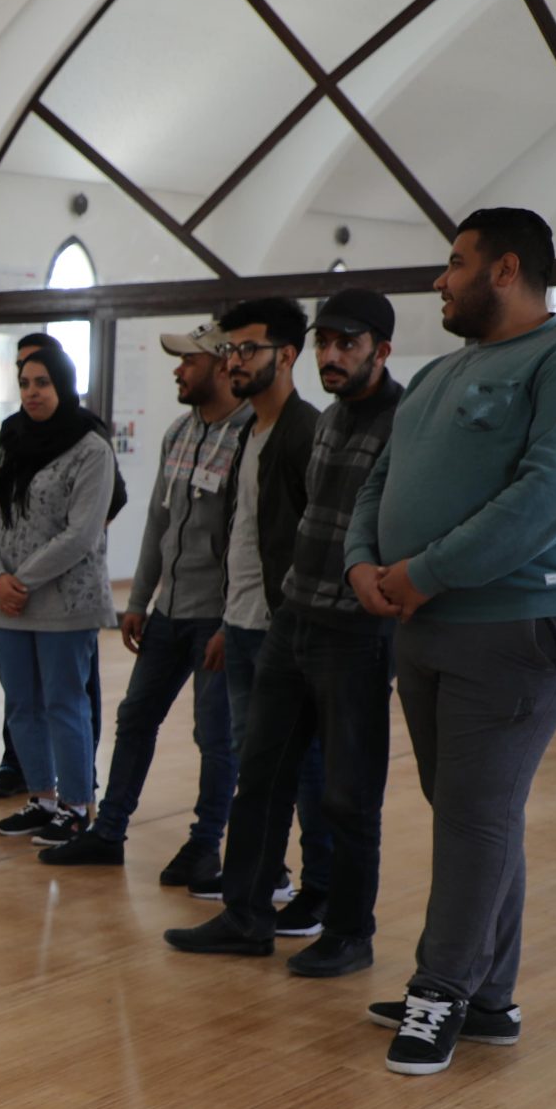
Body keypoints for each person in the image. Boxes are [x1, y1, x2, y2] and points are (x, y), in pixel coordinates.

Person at [345, 209, 556, 1076]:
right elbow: (380, 482)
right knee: (473, 809)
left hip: (525, 621)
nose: (441, 280)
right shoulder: (439, 374)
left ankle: (441, 989)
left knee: (475, 808)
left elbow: (551, 496)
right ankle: (487, 997)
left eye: (455, 262)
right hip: (426, 617)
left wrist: (427, 570)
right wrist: (362, 561)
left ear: (506, 270)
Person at [169, 291, 401, 980]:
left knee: (348, 794)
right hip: (294, 618)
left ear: (381, 350)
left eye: (347, 344)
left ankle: (349, 931)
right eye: (326, 342)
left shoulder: (404, 423)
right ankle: (245, 916)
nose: (333, 355)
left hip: (354, 631)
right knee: (261, 776)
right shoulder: (329, 422)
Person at [40, 321, 249, 882]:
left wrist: (233, 620)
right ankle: (108, 832)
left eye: (188, 361)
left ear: (222, 364)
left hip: (218, 615)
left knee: (214, 735)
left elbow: (249, 539)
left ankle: (205, 844)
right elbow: (160, 520)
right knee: (135, 718)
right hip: (169, 611)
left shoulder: (250, 435)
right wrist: (138, 599)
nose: (178, 371)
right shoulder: (180, 431)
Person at [208, 297, 332, 920]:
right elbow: (242, 533)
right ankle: (265, 879)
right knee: (253, 764)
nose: (233, 361)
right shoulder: (247, 432)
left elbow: (316, 540)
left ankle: (320, 891)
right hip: (242, 624)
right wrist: (226, 619)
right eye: (229, 349)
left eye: (247, 349)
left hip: (285, 630)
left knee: (305, 765)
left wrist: (296, 625)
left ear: (286, 355)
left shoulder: (306, 431)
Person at [0, 345, 114, 845]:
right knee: (21, 705)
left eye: (43, 383)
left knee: (63, 703)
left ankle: (75, 807)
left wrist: (22, 580)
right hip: (7, 601)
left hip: (64, 602)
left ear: (64, 386)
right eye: (25, 384)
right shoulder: (12, 443)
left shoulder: (91, 449)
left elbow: (82, 533)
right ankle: (42, 798)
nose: (32, 393)